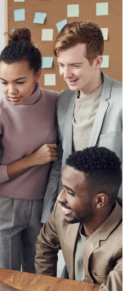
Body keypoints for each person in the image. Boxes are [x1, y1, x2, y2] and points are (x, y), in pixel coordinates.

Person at [0, 146, 122, 291]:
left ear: (100, 200)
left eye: (70, 192)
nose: (60, 197)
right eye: (63, 187)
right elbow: (45, 244)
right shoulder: (65, 211)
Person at [0, 28, 59, 273]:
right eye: (4, 82)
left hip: (44, 204)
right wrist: (32, 160)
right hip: (4, 205)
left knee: (39, 277)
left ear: (37, 75)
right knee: (3, 279)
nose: (11, 90)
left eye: (19, 82)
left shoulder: (57, 102)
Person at [42, 21, 122, 223]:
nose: (66, 73)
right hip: (71, 214)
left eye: (75, 66)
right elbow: (60, 160)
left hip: (113, 215)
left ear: (97, 61)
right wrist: (50, 214)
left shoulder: (121, 101)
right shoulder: (64, 100)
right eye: (62, 65)